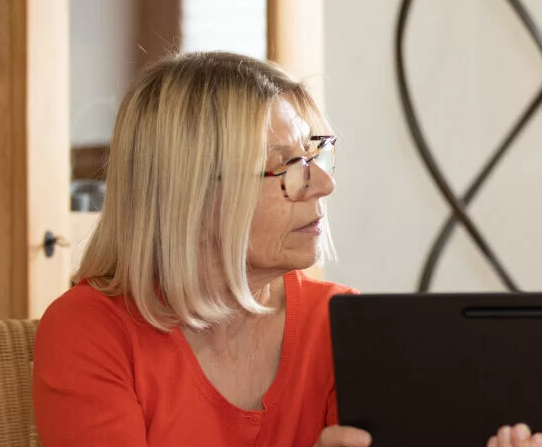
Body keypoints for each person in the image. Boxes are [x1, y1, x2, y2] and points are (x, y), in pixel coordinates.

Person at [33, 52, 373, 446]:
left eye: (315, 156)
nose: (323, 185)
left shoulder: (340, 323)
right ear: (189, 196)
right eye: (287, 166)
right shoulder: (90, 331)